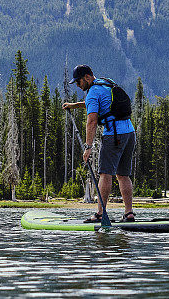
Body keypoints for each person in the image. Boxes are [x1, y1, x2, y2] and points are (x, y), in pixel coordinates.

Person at [62, 64, 136, 222]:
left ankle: (100, 214)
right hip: (130, 132)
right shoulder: (106, 83)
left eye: (79, 81)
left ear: (87, 77)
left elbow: (92, 122)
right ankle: (129, 214)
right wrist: (75, 105)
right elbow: (98, 103)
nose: (77, 85)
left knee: (105, 173)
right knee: (123, 174)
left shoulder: (93, 93)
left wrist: (88, 147)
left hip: (114, 135)